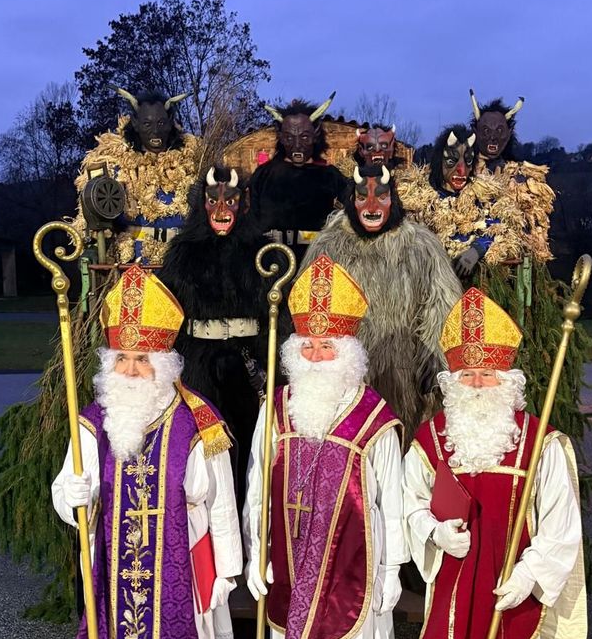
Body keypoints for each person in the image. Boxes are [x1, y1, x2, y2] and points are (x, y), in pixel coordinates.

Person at [51, 263, 243, 639]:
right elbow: (66, 490)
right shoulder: (92, 424)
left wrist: (227, 571)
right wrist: (70, 496)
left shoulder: (197, 421)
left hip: (183, 581)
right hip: (114, 584)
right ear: (108, 364)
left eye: (142, 359)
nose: (132, 370)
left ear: (164, 362)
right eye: (122, 359)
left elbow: (221, 502)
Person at [403, 287, 587, 639]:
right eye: (468, 375)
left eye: (488, 373)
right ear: (452, 379)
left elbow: (561, 526)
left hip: (510, 603)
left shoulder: (538, 443)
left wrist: (529, 575)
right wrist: (433, 532)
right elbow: (409, 505)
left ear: (508, 377)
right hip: (450, 598)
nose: (478, 384)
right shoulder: (431, 441)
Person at [243, 254, 407, 639]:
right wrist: (255, 552)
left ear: (348, 351)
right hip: (290, 563)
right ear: (293, 349)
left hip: (355, 567)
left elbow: (392, 497)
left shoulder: (372, 416)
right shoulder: (276, 409)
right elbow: (255, 485)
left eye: (326, 346)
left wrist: (394, 567)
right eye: (307, 345)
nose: (316, 355)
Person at [300, 164, 462, 445]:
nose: (372, 205)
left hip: (401, 370)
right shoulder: (328, 245)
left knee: (398, 443)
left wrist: (436, 363)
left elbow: (442, 308)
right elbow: (310, 308)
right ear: (351, 200)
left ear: (393, 200)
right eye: (362, 197)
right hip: (343, 372)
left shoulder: (421, 246)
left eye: (381, 197)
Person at [159, 166, 270, 501]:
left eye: (231, 201)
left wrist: (267, 368)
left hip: (245, 366)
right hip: (197, 366)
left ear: (243, 204)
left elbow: (272, 317)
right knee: (199, 443)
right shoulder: (182, 254)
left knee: (247, 443)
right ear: (201, 204)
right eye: (213, 201)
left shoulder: (262, 254)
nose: (222, 210)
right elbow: (171, 316)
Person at [74, 87, 203, 264]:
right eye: (147, 124)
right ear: (135, 123)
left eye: (161, 123)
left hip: (183, 260)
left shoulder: (194, 160)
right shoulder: (113, 163)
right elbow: (92, 221)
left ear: (170, 121)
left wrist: (202, 204)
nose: (155, 132)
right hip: (134, 262)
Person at [248, 92, 346, 263]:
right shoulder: (263, 175)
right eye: (289, 138)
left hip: (316, 258)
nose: (297, 145)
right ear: (280, 135)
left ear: (315, 134)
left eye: (304, 137)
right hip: (270, 257)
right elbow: (249, 217)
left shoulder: (330, 176)